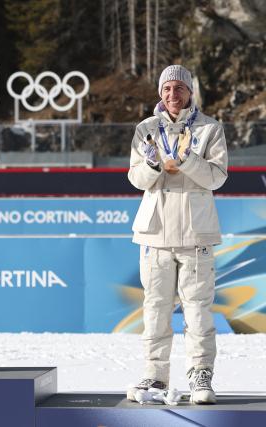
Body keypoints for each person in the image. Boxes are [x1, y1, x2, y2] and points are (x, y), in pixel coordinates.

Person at [127, 64, 228, 404]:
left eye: (179, 88)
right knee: (155, 310)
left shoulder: (210, 129)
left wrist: (186, 160)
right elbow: (136, 179)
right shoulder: (146, 129)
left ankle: (201, 376)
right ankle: (155, 377)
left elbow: (217, 177)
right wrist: (154, 164)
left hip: (196, 235)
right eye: (167, 89)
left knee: (198, 310)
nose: (173, 95)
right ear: (160, 92)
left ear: (189, 92)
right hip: (156, 235)